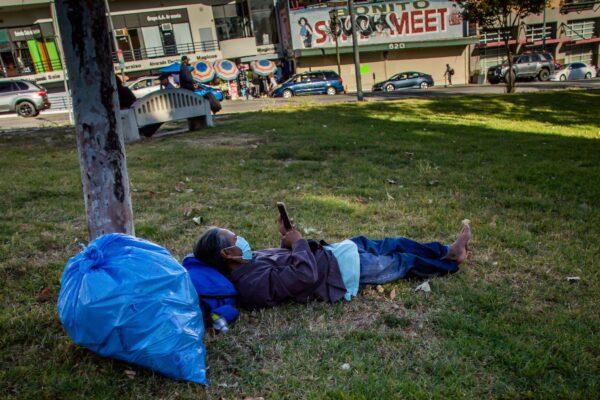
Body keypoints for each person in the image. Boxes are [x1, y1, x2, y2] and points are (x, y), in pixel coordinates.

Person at [192, 217, 471, 309]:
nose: (241, 238)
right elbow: (303, 277)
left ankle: (446, 249)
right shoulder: (251, 285)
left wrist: (285, 239)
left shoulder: (249, 262)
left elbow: (286, 262)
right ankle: (451, 261)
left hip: (337, 252)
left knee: (393, 241)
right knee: (403, 261)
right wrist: (299, 243)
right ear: (228, 254)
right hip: (342, 271)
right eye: (235, 237)